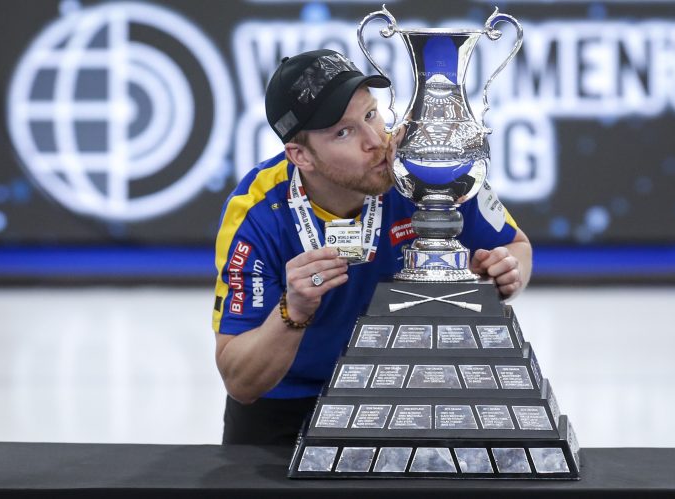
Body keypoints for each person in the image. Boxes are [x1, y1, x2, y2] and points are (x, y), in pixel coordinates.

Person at [211, 49, 532, 445]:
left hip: (402, 394)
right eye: (343, 132)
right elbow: (239, 381)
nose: (375, 141)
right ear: (300, 155)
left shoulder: (422, 169)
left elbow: (517, 247)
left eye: (370, 115)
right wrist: (291, 312)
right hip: (285, 404)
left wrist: (506, 273)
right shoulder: (256, 213)